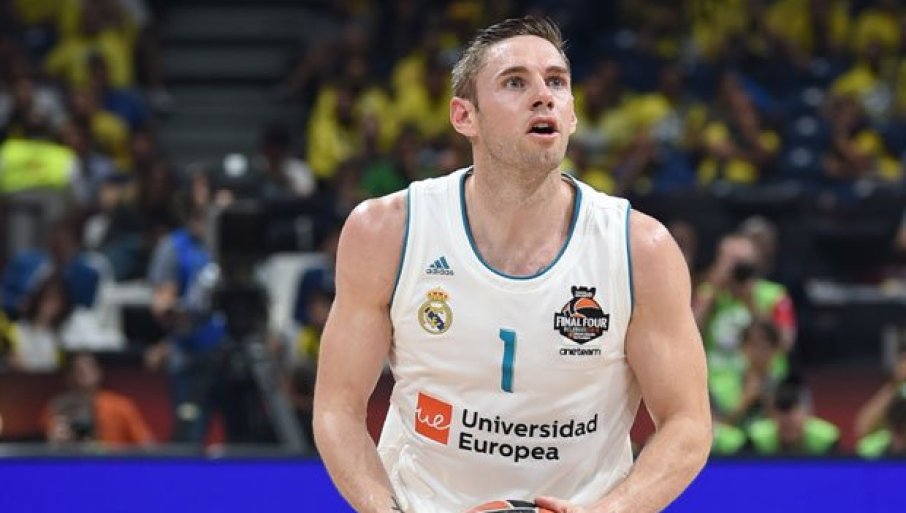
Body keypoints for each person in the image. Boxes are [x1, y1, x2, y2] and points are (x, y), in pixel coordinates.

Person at [314, 16, 711, 513]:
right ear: (465, 116)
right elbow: (337, 407)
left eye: (557, 82)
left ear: (572, 115)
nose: (543, 96)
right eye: (515, 82)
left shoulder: (640, 249)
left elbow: (687, 422)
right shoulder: (386, 232)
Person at [43, 352, 154, 447]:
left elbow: (147, 446)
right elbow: (41, 448)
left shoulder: (120, 405)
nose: (83, 371)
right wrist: (56, 443)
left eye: (89, 367)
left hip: (113, 463)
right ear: (68, 377)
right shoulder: (56, 407)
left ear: (99, 372)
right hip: (72, 462)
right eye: (77, 369)